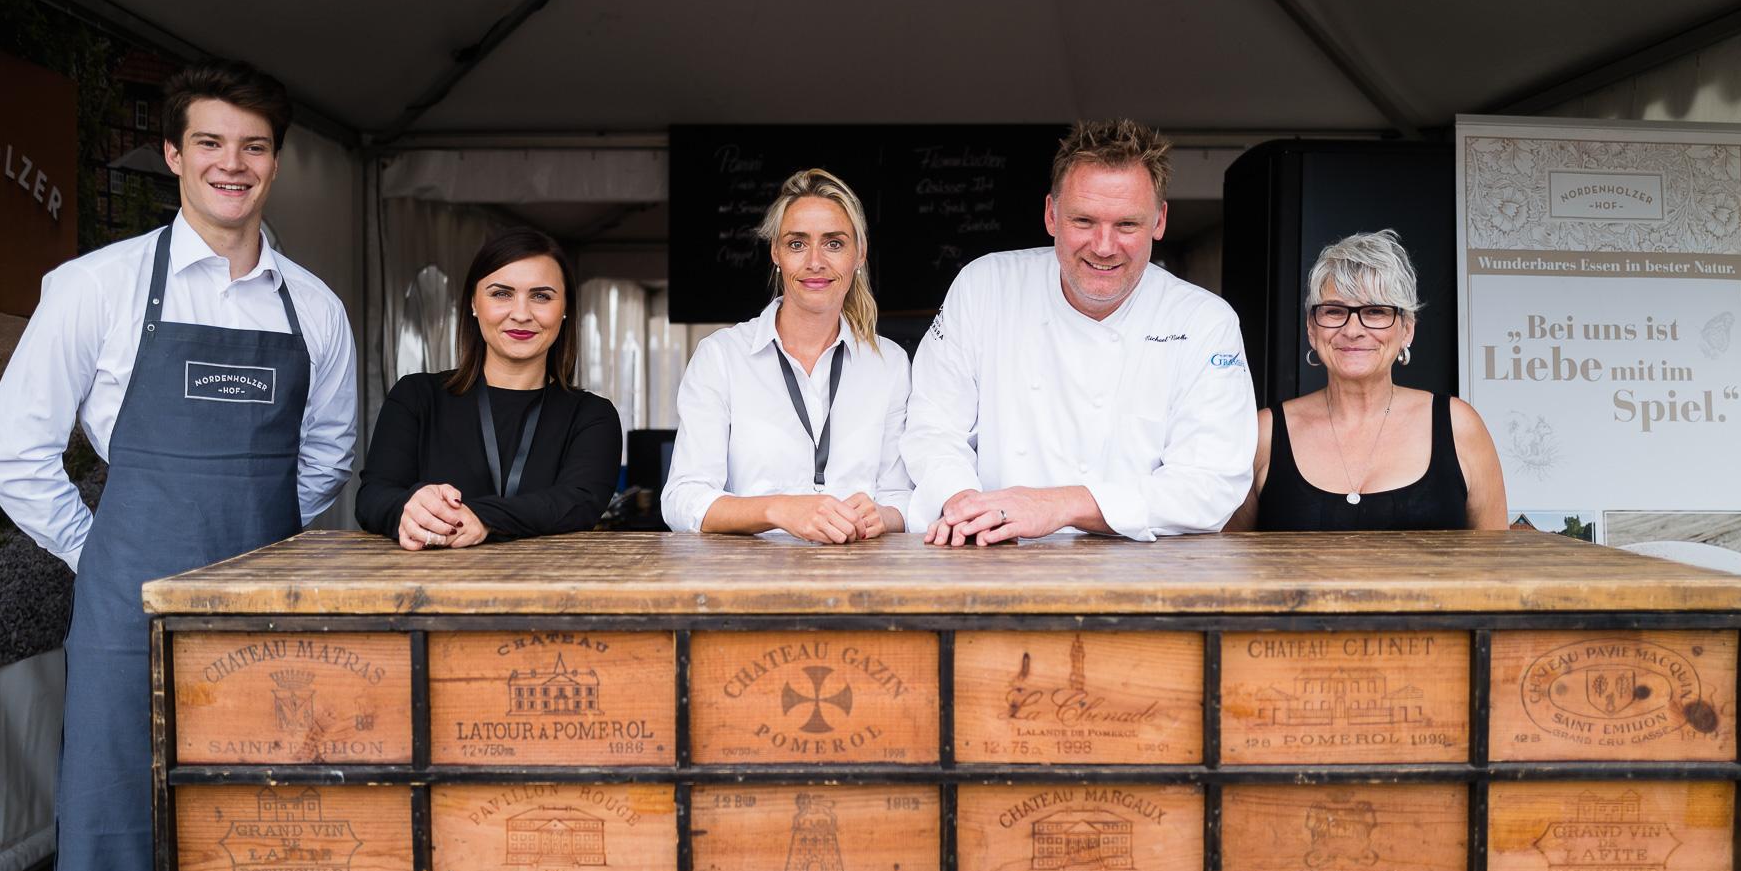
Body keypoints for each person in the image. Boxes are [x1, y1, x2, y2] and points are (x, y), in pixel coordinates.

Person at [0, 60, 358, 871]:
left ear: (272, 164)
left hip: (268, 644)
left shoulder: (313, 307)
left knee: (265, 851)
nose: (232, 165)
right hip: (121, 628)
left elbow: (324, 462)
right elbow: (12, 455)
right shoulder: (94, 288)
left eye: (253, 147)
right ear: (177, 157)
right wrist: (102, 547)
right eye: (212, 144)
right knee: (107, 860)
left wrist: (253, 565)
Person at [902, 119, 1256, 545]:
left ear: (1159, 221)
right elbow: (933, 427)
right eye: (1084, 221)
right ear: (1051, 214)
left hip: (1142, 571)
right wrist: (967, 506)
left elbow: (1211, 484)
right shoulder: (985, 286)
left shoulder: (1204, 321)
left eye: (1127, 225)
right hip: (994, 554)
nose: (1104, 246)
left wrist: (1059, 505)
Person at [661, 168, 910, 543]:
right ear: (776, 252)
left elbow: (902, 496)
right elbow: (682, 499)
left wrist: (884, 516)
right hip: (748, 584)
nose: (814, 261)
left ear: (859, 254)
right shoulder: (721, 357)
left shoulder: (889, 363)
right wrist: (776, 509)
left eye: (834, 243)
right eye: (797, 244)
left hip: (860, 579)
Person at [356, 228, 621, 547]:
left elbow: (579, 503)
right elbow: (372, 498)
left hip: (550, 590)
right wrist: (411, 509)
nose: (521, 314)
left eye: (541, 296)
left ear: (565, 309)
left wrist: (483, 517)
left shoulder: (592, 416)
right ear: (472, 303)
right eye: (501, 294)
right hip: (428, 593)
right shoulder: (416, 396)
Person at [1226, 230, 1506, 530]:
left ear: (1407, 329)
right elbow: (1231, 561)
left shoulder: (1459, 426)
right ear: (1311, 329)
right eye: (1334, 311)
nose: (1353, 329)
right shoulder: (1264, 435)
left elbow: (1495, 564)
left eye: (1375, 311)